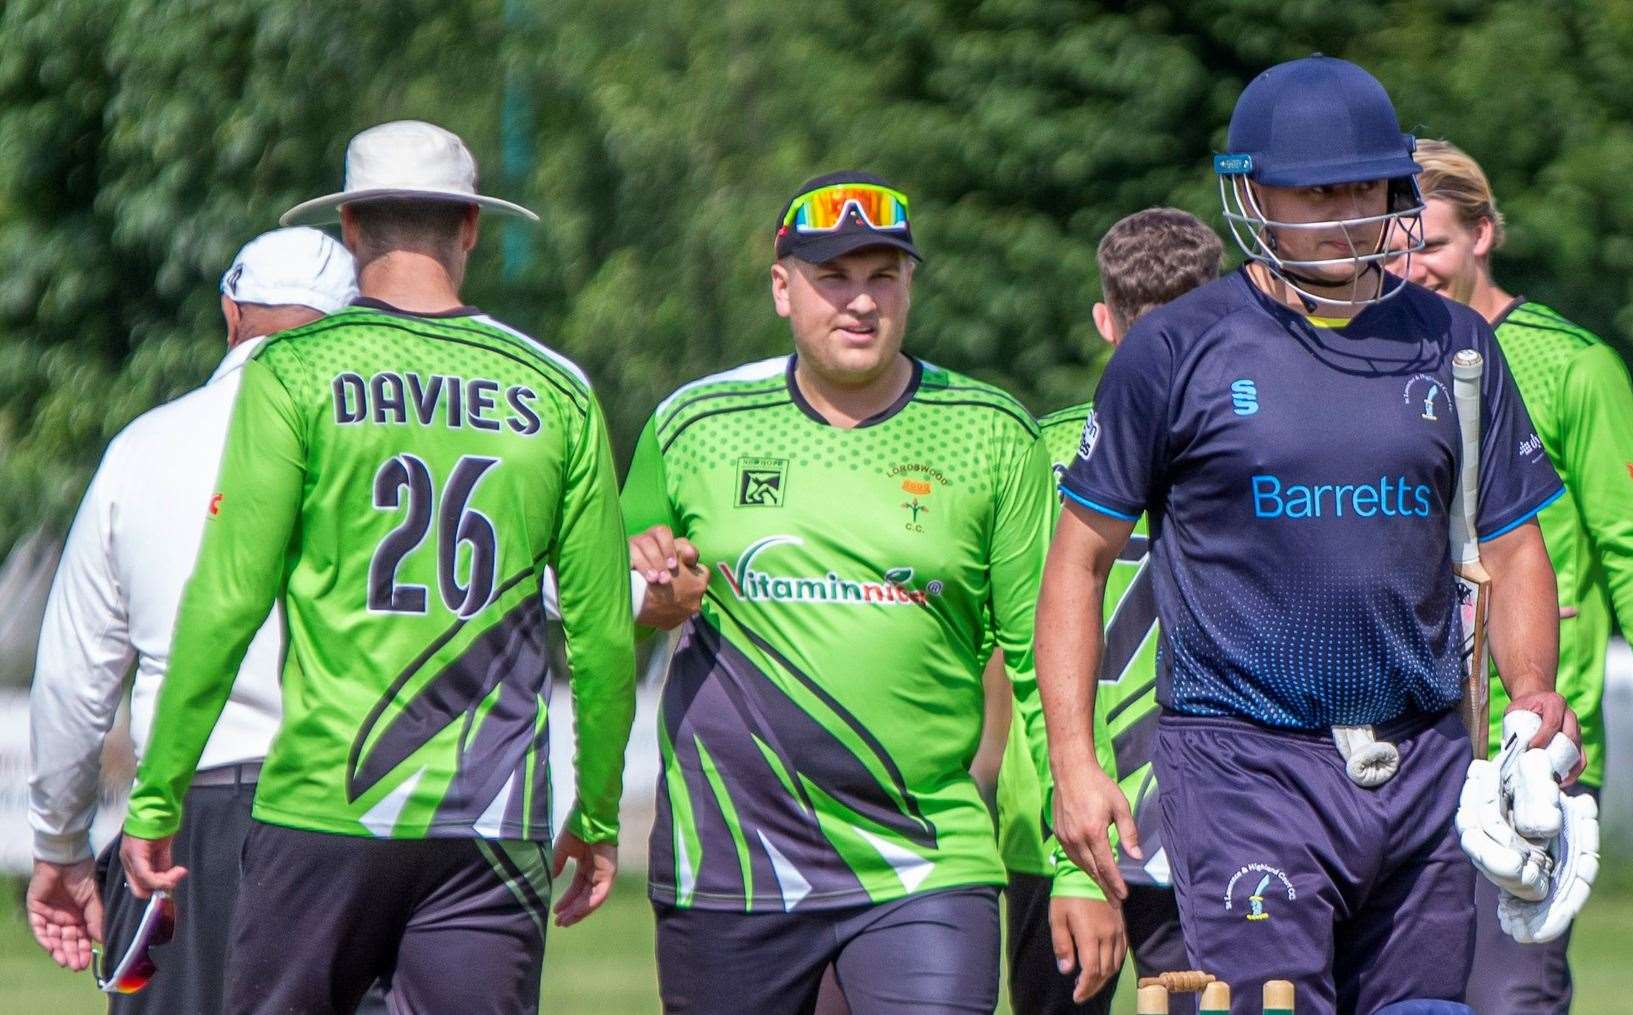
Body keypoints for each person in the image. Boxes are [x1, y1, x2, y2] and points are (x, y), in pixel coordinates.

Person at [1037, 56, 1577, 1014]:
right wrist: (1077, 767)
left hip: (1421, 766)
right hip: (1243, 765)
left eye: (1364, 187)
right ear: (1252, 191)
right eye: (1316, 190)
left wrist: (1533, 692)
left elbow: (1513, 543)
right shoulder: (1174, 348)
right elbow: (1077, 563)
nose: (1345, 210)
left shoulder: (1454, 343)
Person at [116, 119, 637, 1013]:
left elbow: (227, 601)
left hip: (326, 805)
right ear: (471, 228)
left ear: (350, 228)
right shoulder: (559, 390)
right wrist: (593, 816)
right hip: (490, 820)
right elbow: (601, 634)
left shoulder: (296, 371)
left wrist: (158, 792)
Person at [621, 170, 1084, 1015]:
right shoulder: (692, 423)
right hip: (731, 868)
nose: (860, 301)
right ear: (781, 286)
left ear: (912, 284)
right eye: (833, 277)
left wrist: (1073, 858)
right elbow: (609, 610)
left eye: (883, 276)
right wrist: (652, 599)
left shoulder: (991, 431)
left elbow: (1047, 662)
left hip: (927, 863)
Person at [1402, 138, 1633, 1015]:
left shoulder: (1574, 365)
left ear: (1484, 234)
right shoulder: (1370, 360)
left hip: (1528, 747)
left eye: (1432, 244)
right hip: (1399, 739)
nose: (1411, 267)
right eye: (1397, 246)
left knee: (1509, 996)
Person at [26, 228, 356, 1012]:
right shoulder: (388, 449)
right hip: (356, 814)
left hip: (185, 825)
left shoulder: (146, 448)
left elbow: (75, 681)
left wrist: (60, 847)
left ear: (230, 312)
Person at [998, 208, 1223, 1015]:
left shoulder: (1038, 447)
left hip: (1061, 818)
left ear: (1103, 322)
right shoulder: (1256, 439)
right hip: (1204, 819)